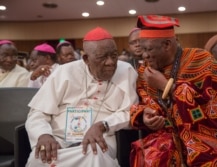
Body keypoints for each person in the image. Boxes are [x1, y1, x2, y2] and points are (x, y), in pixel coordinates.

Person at [129, 15, 217, 167]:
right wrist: (146, 116)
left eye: (148, 49)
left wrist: (167, 86)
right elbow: (143, 103)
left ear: (167, 44)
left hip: (208, 139)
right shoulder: (144, 71)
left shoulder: (201, 60)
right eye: (142, 49)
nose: (144, 55)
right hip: (167, 141)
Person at [25, 27, 138, 167]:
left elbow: (131, 112)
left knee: (95, 156)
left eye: (114, 56)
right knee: (39, 159)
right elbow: (38, 112)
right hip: (59, 139)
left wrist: (104, 125)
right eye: (102, 57)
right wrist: (43, 134)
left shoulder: (126, 71)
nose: (110, 62)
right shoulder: (64, 72)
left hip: (99, 139)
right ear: (86, 59)